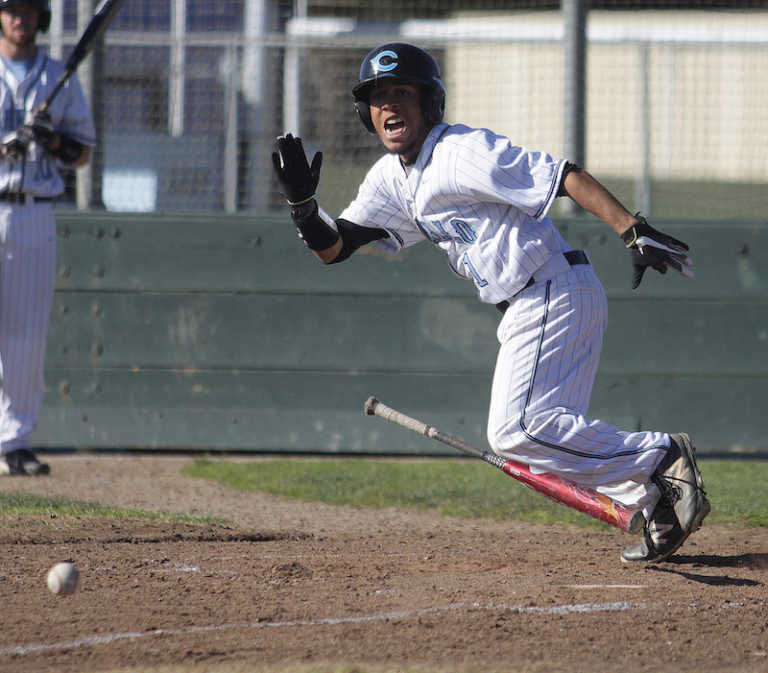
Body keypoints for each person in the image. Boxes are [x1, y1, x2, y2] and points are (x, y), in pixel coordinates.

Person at [271, 42, 710, 563]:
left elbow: (560, 174)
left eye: (402, 92)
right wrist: (303, 207)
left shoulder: (459, 151)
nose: (389, 105)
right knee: (539, 435)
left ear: (429, 102)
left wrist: (631, 229)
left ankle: (663, 457)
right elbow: (336, 246)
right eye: (378, 96)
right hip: (537, 301)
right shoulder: (393, 177)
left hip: (550, 290)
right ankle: (657, 498)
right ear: (366, 114)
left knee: (515, 431)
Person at [0, 0, 95, 476]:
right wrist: (4, 143)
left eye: (28, 10)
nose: (20, 18)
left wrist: (50, 139)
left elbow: (82, 155)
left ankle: (13, 441)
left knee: (25, 334)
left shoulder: (58, 76)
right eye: (11, 9)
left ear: (41, 18)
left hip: (33, 212)